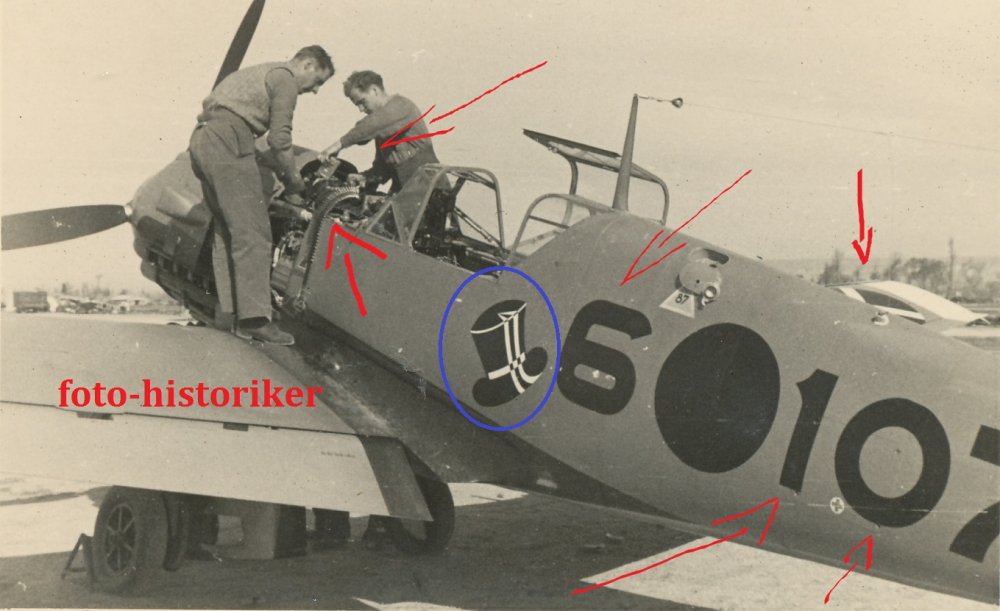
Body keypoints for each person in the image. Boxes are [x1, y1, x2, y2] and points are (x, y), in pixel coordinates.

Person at [190, 45, 334, 345]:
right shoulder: (285, 79)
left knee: (227, 232)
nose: (315, 90)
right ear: (307, 65)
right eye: (318, 81)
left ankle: (232, 315)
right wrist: (294, 182)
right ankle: (255, 320)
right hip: (231, 140)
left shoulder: (261, 71)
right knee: (254, 232)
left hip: (203, 138)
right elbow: (280, 139)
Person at [319, 71, 438, 193]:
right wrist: (365, 177)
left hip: (429, 190)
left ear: (374, 90)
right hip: (405, 192)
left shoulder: (402, 106)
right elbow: (382, 168)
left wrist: (338, 145)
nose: (361, 109)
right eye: (357, 105)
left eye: (362, 102)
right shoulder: (383, 129)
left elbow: (370, 125)